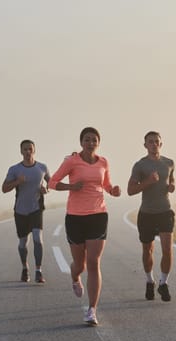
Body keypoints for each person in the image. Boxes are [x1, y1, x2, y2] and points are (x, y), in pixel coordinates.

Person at [48, 127, 121, 326]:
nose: (90, 143)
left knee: (94, 262)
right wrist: (71, 186)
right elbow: (52, 183)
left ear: (98, 142)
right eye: (87, 139)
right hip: (75, 217)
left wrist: (113, 190)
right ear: (81, 142)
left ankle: (92, 310)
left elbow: (106, 184)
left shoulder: (103, 161)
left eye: (94, 140)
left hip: (98, 215)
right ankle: (74, 277)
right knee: (80, 264)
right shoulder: (71, 161)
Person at [127, 131, 175, 302]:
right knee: (148, 250)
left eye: (157, 141)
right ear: (145, 145)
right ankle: (149, 280)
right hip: (146, 213)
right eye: (150, 142)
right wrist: (148, 182)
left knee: (167, 250)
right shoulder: (140, 166)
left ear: (161, 144)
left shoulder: (169, 163)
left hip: (165, 211)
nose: (154, 144)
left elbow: (171, 180)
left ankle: (163, 283)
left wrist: (172, 186)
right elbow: (130, 190)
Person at [2, 139, 50, 283]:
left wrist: (46, 190)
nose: (28, 152)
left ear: (34, 150)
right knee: (23, 243)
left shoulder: (42, 167)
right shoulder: (14, 169)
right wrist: (17, 182)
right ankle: (25, 268)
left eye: (30, 149)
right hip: (21, 211)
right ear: (21, 151)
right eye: (25, 149)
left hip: (36, 209)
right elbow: (4, 189)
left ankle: (38, 271)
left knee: (38, 240)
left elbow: (51, 182)